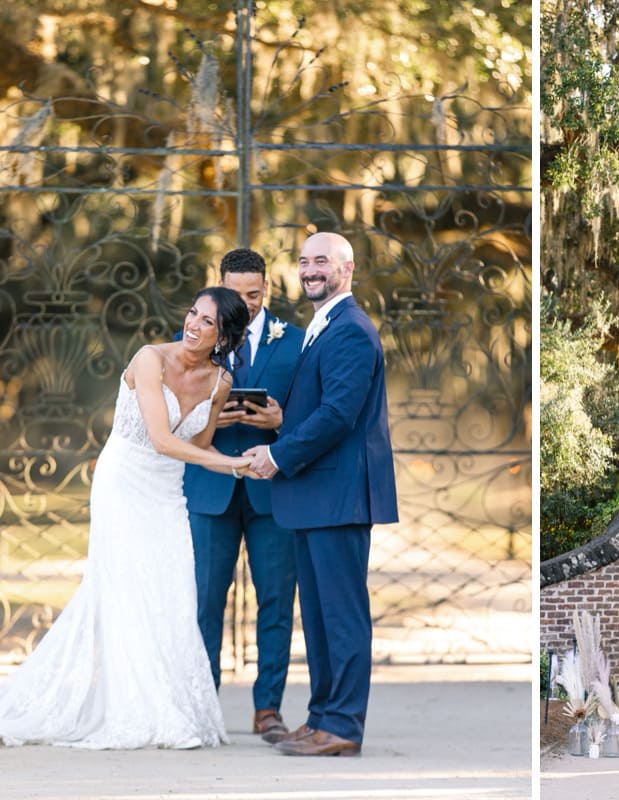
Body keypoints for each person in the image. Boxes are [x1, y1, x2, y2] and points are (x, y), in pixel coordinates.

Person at [0, 287, 253, 750]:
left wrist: (234, 455)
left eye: (207, 321)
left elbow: (198, 446)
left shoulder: (220, 383)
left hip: (167, 493)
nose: (193, 324)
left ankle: (172, 707)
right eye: (192, 312)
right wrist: (235, 464)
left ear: (223, 335)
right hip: (124, 482)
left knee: (173, 588)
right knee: (125, 590)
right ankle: (135, 712)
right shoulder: (150, 359)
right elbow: (162, 440)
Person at [245, 232, 398, 757]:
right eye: (304, 261)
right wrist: (282, 421)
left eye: (321, 261)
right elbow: (321, 406)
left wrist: (278, 453)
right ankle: (319, 718)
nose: (310, 270)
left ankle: (343, 726)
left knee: (341, 615)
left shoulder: (351, 329)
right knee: (317, 618)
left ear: (347, 269)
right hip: (314, 495)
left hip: (338, 496)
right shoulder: (322, 325)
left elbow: (338, 415)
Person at [182, 248, 304, 744]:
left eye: (255, 295)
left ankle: (268, 710)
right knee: (205, 602)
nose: (247, 304)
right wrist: (210, 420)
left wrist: (281, 422)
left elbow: (317, 415)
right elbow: (169, 418)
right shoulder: (193, 340)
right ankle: (204, 706)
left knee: (276, 601)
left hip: (271, 492)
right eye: (237, 294)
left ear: (268, 291)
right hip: (210, 490)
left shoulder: (294, 342)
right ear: (219, 287)